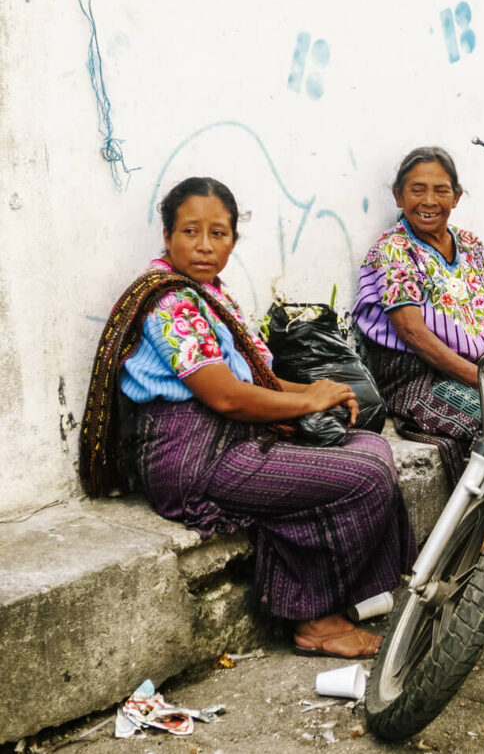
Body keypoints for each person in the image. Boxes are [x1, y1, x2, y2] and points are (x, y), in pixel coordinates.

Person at [79, 176, 416, 659]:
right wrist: (308, 401)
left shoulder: (211, 295)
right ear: (168, 236)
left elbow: (257, 379)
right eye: (190, 231)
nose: (204, 245)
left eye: (218, 233)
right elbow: (227, 396)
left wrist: (324, 393)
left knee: (372, 447)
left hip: (237, 442)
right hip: (193, 457)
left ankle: (343, 596)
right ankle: (314, 619)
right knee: (362, 474)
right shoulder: (171, 303)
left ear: (233, 240)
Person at [352, 147, 484, 483]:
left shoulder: (470, 244)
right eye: (417, 190)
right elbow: (412, 333)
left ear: (457, 197)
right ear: (398, 197)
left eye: (441, 190)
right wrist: (481, 378)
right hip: (423, 378)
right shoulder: (393, 249)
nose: (428, 201)